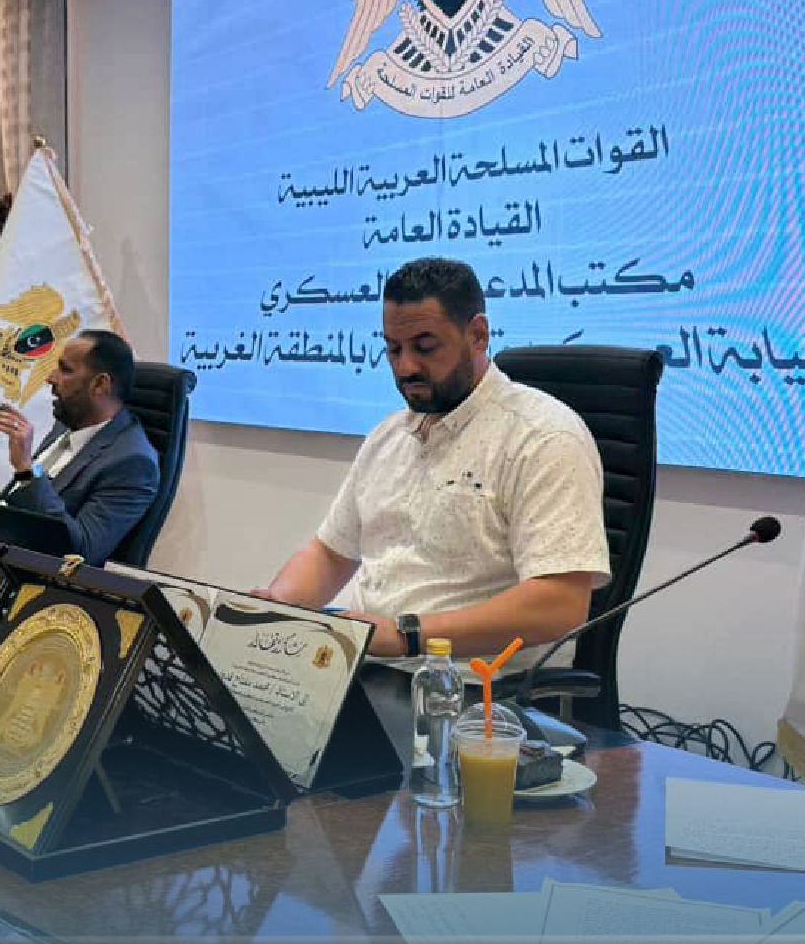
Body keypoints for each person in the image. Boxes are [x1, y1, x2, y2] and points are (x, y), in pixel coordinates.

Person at [257, 257, 609, 660]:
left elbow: (559, 604)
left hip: (472, 682)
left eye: (425, 347)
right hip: (367, 663)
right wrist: (275, 611)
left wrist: (406, 637)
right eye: (393, 349)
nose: (406, 366)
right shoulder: (388, 436)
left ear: (478, 335)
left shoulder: (542, 437)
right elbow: (331, 554)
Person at [0, 329, 159, 565]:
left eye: (65, 370)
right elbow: (37, 489)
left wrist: (26, 470)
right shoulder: (68, 423)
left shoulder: (133, 463)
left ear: (100, 384)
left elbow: (81, 552)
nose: (50, 378)